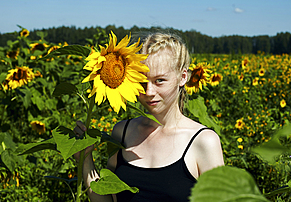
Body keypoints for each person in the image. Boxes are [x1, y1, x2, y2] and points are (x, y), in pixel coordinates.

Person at [74, 32, 224, 202]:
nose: (149, 92)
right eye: (142, 82)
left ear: (183, 77)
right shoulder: (122, 132)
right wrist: (85, 159)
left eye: (159, 80)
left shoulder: (204, 141)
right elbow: (109, 200)